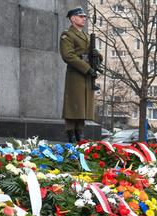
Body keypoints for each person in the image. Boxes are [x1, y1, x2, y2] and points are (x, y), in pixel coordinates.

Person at [60, 6, 101, 144]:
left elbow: (92, 53)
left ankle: (80, 135)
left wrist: (97, 55)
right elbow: (68, 55)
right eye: (81, 16)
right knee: (74, 106)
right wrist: (86, 68)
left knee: (82, 107)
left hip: (86, 76)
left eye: (84, 16)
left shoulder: (84, 35)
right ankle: (71, 135)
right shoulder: (67, 35)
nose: (84, 18)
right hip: (76, 76)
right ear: (73, 18)